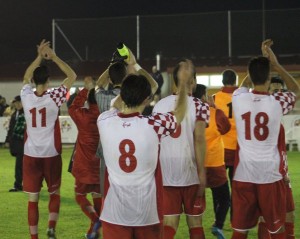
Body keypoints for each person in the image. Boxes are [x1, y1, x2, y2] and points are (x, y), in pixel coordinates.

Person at [97, 58, 192, 239]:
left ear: (122, 95)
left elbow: (114, 105)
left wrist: (128, 82)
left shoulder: (104, 121)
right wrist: (183, 84)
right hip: (147, 214)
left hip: (114, 213)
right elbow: (179, 113)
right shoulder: (154, 124)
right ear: (147, 100)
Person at [231, 39, 299, 239]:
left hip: (244, 174)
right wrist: (275, 64)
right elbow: (296, 90)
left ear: (250, 77)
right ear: (270, 78)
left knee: (239, 231)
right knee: (276, 229)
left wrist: (257, 66)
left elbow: (243, 85)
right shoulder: (277, 102)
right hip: (269, 175)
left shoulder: (238, 98)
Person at [21, 39, 77, 239]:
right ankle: (51, 227)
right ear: (48, 81)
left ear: (34, 81)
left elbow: (26, 76)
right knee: (54, 193)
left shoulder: (26, 96)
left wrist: (38, 56)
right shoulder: (54, 96)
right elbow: (72, 75)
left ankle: (34, 237)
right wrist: (53, 57)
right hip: (51, 153)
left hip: (30, 154)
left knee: (33, 200)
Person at [153, 60, 210, 239]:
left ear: (174, 81)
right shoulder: (200, 105)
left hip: (167, 173)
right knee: (195, 223)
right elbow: (199, 139)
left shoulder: (159, 106)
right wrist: (202, 172)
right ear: (192, 81)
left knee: (169, 224)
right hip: (191, 172)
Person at [257, 76, 296, 239]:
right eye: (274, 90)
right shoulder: (262, 117)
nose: (279, 94)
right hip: (270, 176)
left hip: (282, 174)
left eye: (281, 90)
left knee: (289, 215)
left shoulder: (276, 118)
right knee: (268, 218)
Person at [194, 84, 231, 239]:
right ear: (203, 97)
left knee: (198, 201)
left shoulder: (189, 113)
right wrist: (215, 107)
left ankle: (197, 229)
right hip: (214, 163)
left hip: (196, 164)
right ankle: (218, 224)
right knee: (224, 198)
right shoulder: (215, 113)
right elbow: (226, 128)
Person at [68, 77, 101, 239]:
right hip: (99, 165)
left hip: (83, 166)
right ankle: (92, 232)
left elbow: (73, 106)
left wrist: (85, 89)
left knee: (80, 196)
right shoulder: (102, 115)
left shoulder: (82, 116)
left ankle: (95, 220)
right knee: (97, 196)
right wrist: (92, 90)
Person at [213, 69, 238, 186]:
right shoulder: (242, 97)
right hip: (238, 147)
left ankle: (221, 204)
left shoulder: (214, 98)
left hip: (220, 147)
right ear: (235, 81)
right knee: (236, 184)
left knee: (220, 184)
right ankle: (235, 204)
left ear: (223, 81)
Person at [5, 95, 26, 192]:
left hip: (24, 143)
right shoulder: (15, 114)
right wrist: (7, 140)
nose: (17, 104)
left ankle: (18, 185)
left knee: (20, 165)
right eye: (16, 103)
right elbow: (10, 128)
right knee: (21, 164)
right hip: (16, 143)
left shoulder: (26, 113)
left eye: (18, 102)